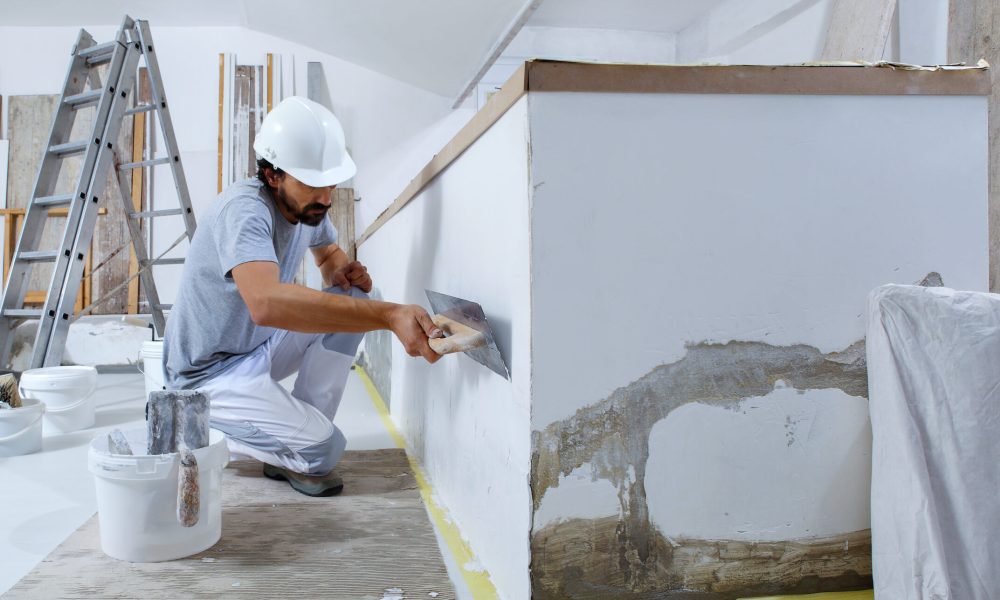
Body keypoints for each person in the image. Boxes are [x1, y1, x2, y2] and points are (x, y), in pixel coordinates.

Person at [163, 96, 441, 497]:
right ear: (273, 176)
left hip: (255, 350)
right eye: (314, 183)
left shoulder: (308, 209)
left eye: (331, 182)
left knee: (357, 301)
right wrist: (391, 315)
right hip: (206, 376)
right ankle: (193, 423)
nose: (327, 197)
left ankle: (297, 437)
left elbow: (327, 253)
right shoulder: (245, 211)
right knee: (325, 452)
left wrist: (341, 270)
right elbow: (266, 303)